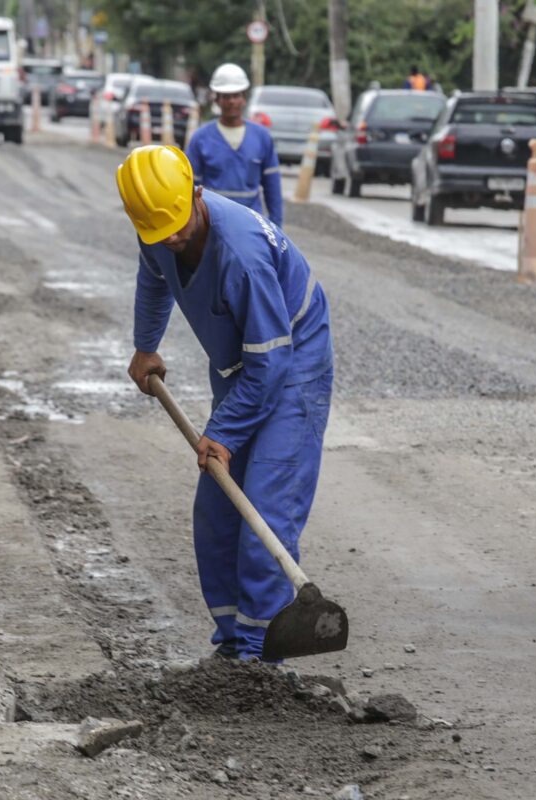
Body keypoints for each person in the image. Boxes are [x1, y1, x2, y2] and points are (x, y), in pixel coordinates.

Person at [117, 145, 333, 662]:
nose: (170, 238)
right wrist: (146, 345)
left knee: (264, 505)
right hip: (241, 362)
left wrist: (226, 431)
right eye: (158, 231)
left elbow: (273, 364)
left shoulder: (241, 254)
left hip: (290, 360)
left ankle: (261, 657)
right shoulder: (159, 219)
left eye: (177, 225)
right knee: (216, 508)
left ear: (196, 193)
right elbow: (155, 275)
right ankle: (235, 641)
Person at [185, 63, 283, 227]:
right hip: (213, 224)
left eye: (236, 95)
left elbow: (272, 186)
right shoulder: (201, 138)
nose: (231, 101)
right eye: (225, 96)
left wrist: (277, 228)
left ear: (244, 98)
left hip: (251, 224)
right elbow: (190, 189)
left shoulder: (262, 137)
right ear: (217, 99)